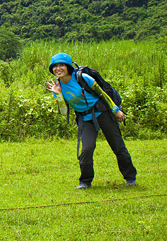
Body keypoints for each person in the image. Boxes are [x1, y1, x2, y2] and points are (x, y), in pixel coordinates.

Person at [44, 52, 137, 189]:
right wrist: (58, 95)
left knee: (118, 146)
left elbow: (102, 94)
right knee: (86, 149)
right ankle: (85, 181)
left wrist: (116, 110)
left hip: (103, 113)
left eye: (61, 65)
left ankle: (130, 178)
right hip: (84, 118)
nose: (58, 68)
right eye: (55, 66)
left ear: (68, 67)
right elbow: (64, 111)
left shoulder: (82, 78)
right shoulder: (57, 87)